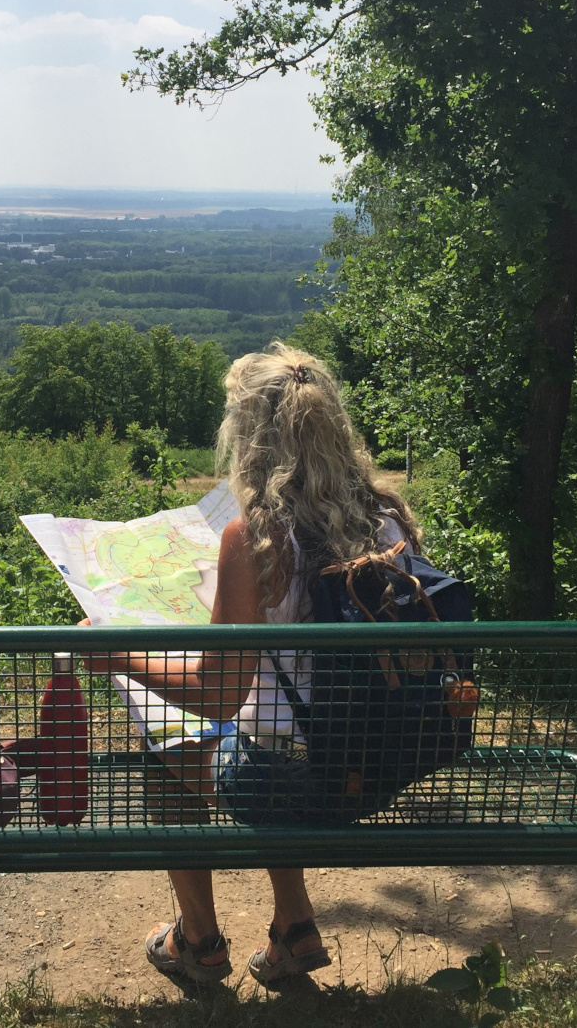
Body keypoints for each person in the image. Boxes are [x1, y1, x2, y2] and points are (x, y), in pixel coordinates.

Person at [80, 342, 425, 988]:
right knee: (269, 730)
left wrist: (114, 654)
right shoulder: (384, 517)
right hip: (379, 762)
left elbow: (215, 694)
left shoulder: (257, 536)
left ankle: (198, 941)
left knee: (175, 746)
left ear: (252, 439)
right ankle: (294, 929)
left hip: (297, 782)